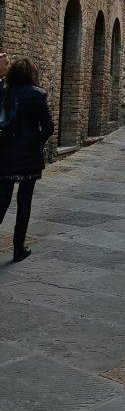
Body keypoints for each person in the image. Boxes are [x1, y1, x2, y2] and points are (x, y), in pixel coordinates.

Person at [0, 58, 54, 263]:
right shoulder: (38, 94)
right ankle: (18, 249)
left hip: (5, 155)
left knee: (2, 200)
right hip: (29, 158)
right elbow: (48, 128)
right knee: (24, 203)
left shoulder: (5, 92)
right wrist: (35, 143)